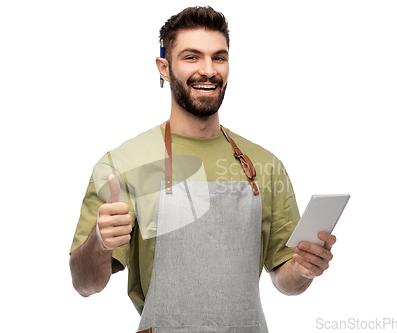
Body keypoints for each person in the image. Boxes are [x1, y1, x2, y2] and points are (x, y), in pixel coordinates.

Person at [69, 6, 336, 333]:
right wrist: (99, 240)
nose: (208, 70)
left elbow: (284, 279)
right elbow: (85, 285)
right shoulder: (123, 163)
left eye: (219, 58)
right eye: (192, 57)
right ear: (164, 68)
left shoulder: (264, 166)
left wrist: (306, 269)